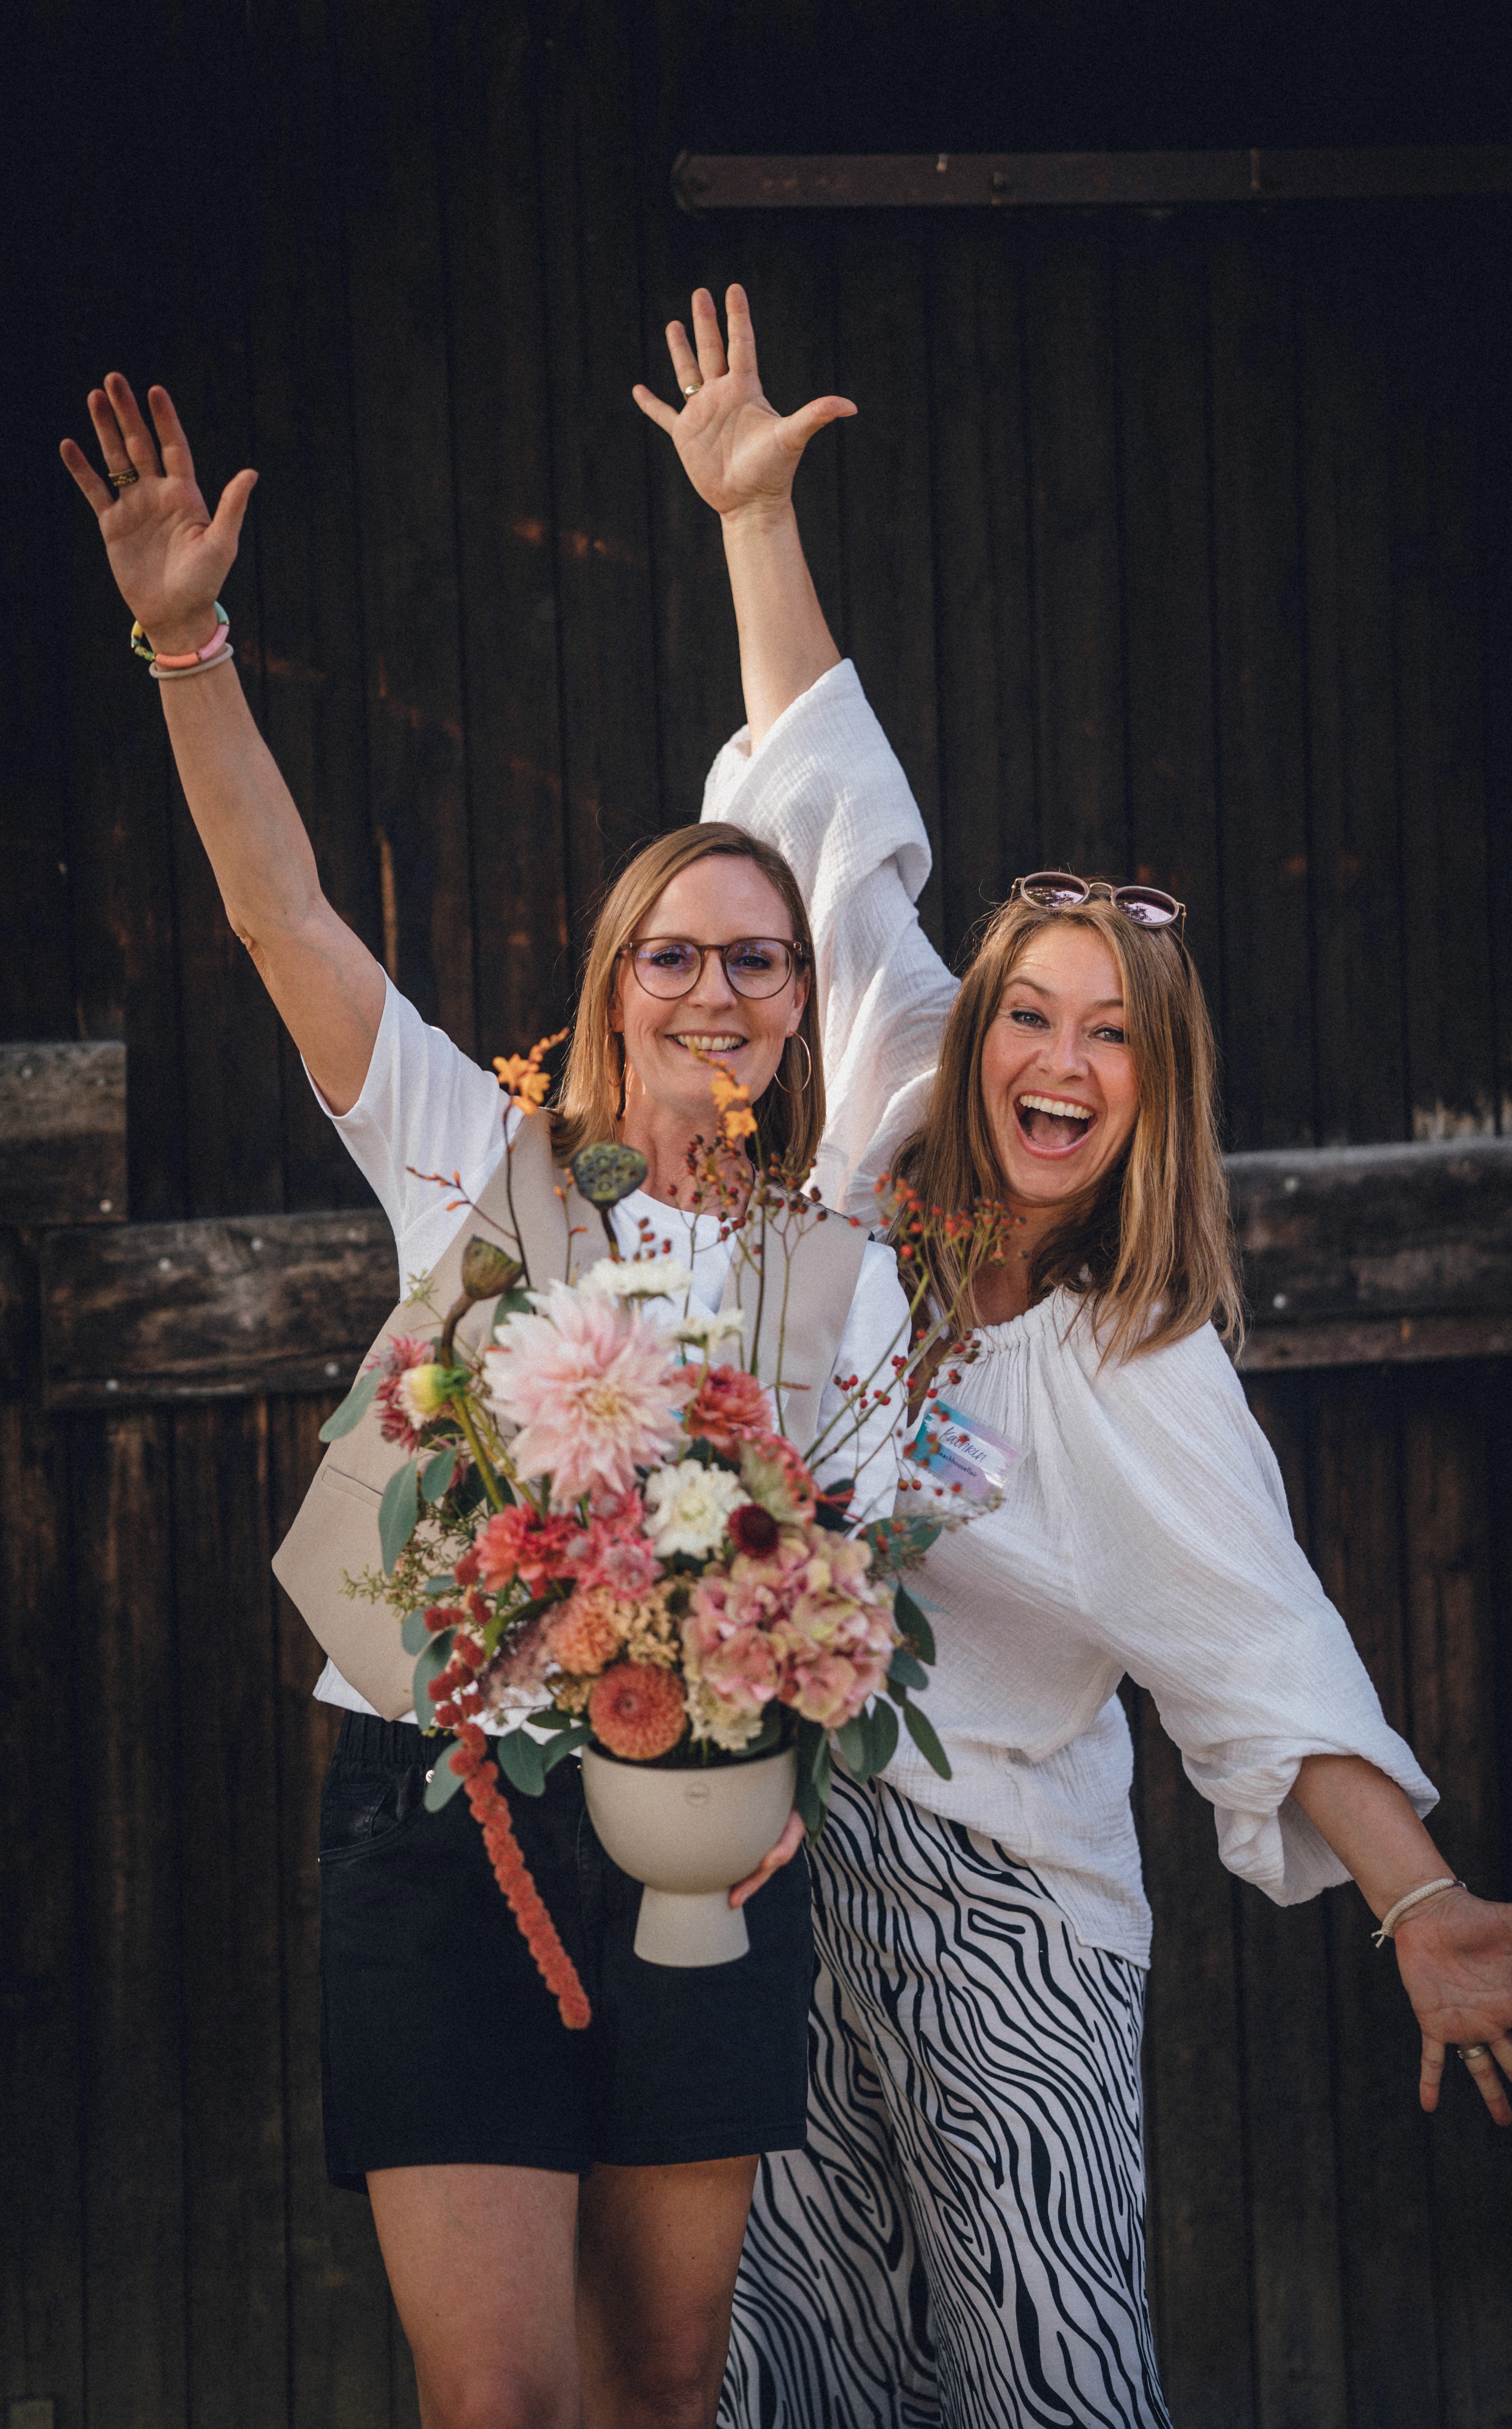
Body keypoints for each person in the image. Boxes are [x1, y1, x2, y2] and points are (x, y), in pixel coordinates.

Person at [634, 285, 1512, 2429]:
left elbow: (1262, 1647)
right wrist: (754, 517)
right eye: (1033, 1014)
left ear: (1151, 1093)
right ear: (976, 1032)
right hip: (792, 1863)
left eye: (1111, 1035)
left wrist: (1419, 1897)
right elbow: (827, 824)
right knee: (798, 2375)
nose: (1059, 1057)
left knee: (1045, 2372)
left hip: (1006, 1908)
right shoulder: (885, 1113)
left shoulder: (1135, 1364)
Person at [60, 375, 908, 2429]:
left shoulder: (844, 1268)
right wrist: (186, 639)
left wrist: (780, 1691)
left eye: (760, 962)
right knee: (500, 2396)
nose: (717, 992)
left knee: (663, 2381)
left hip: (704, 1839)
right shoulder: (477, 1152)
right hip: (442, 1820)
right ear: (616, 978)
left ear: (802, 1006)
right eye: (676, 956)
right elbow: (281, 914)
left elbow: (853, 1587)